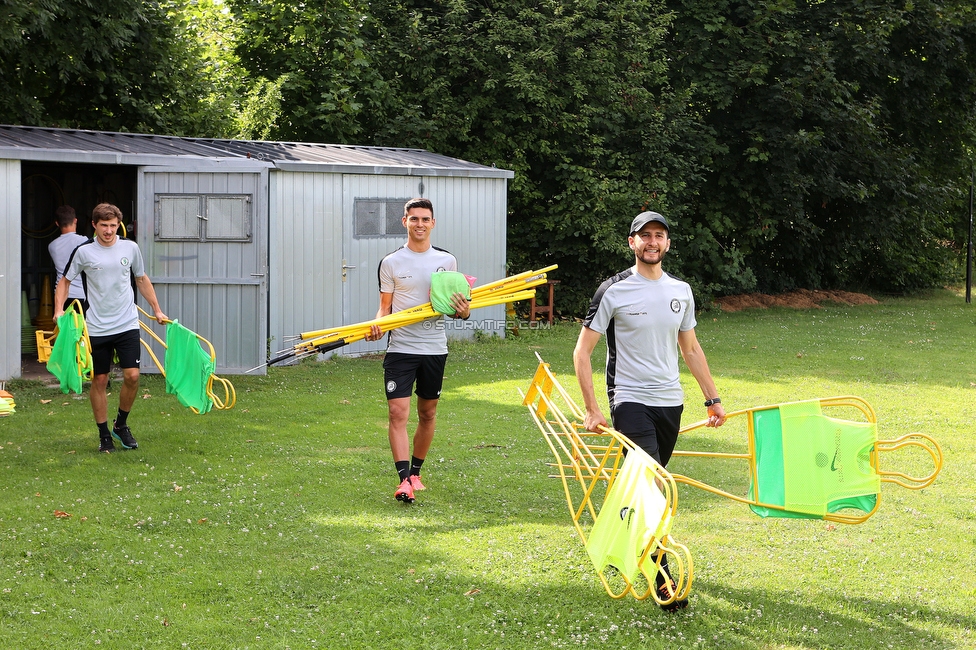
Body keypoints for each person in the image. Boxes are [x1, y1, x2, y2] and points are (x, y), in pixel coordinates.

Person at [573, 210, 727, 612]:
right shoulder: (613, 290)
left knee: (646, 487)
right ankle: (663, 576)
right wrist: (592, 409)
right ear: (632, 243)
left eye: (659, 236)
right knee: (653, 487)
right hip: (629, 400)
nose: (652, 242)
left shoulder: (681, 290)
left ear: (667, 244)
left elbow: (690, 349)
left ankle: (633, 534)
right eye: (645, 236)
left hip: (669, 403)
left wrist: (712, 399)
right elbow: (582, 352)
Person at [364, 198, 471, 504]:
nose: (420, 224)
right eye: (414, 219)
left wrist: (462, 312)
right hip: (400, 348)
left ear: (432, 223)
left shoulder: (447, 262)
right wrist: (377, 326)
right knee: (398, 412)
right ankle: (403, 481)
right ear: (405, 222)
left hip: (434, 349)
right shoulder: (391, 263)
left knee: (428, 413)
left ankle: (416, 472)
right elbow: (384, 309)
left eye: (425, 219)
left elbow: (455, 310)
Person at [54, 203, 168, 453]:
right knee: (101, 379)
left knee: (133, 376)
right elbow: (65, 281)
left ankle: (121, 425)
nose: (108, 230)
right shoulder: (83, 252)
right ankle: (104, 434)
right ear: (94, 225)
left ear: (119, 225)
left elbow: (141, 278)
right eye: (103, 225)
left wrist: (156, 309)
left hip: (126, 322)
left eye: (113, 225)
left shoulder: (130, 248)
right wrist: (58, 310)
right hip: (96, 327)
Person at [48, 205, 89, 313]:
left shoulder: (52, 245)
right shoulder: (84, 241)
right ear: (75, 220)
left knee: (66, 329)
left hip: (61, 297)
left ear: (57, 223)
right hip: (81, 294)